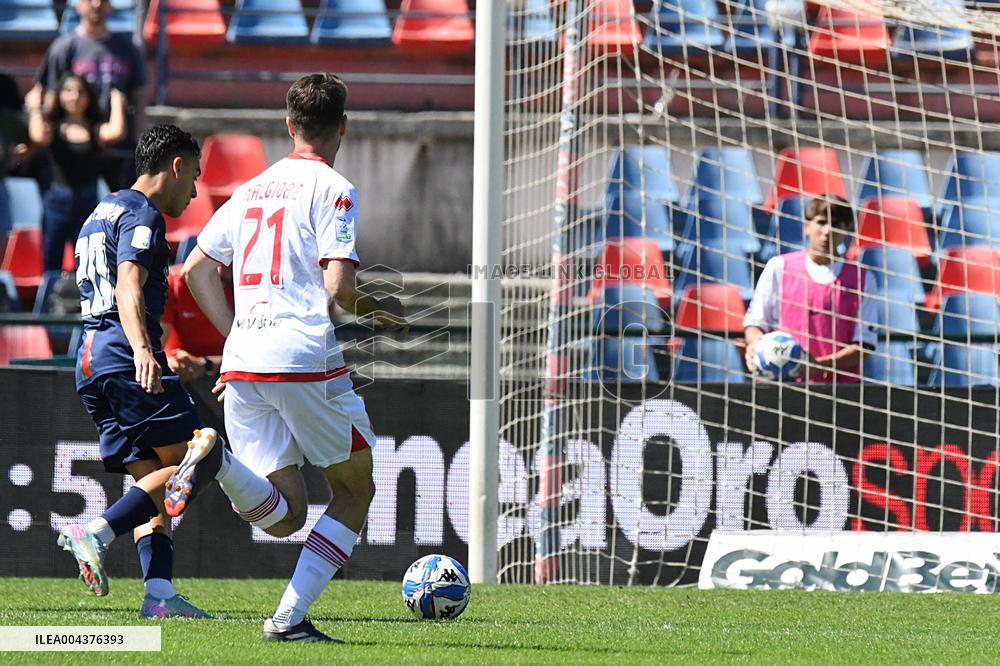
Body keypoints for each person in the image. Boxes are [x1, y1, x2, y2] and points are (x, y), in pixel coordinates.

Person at [179, 72, 407, 643]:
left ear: (289, 126)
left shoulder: (252, 189)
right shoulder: (336, 189)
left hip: (244, 361)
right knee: (356, 490)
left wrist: (236, 337)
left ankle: (217, 463)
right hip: (304, 355)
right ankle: (286, 619)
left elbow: (196, 270)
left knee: (286, 516)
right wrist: (385, 312)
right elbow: (339, 291)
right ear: (344, 129)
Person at [57, 124, 213, 619]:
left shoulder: (99, 212)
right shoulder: (143, 214)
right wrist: (146, 350)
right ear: (175, 166)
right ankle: (95, 531)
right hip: (124, 351)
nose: (194, 191)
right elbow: (128, 283)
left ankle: (160, 596)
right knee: (201, 457)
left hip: (87, 357)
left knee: (151, 480)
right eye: (193, 176)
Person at [744, 193, 878, 383]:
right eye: (822, 222)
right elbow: (755, 323)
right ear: (808, 226)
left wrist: (819, 367)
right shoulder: (779, 267)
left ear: (847, 230)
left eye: (837, 224)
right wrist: (756, 347)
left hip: (841, 391)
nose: (828, 231)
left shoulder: (862, 278)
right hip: (782, 386)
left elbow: (864, 345)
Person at [33, 0, 146, 191]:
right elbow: (50, 95)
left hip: (119, 148)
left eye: (103, 1)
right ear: (77, 5)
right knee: (76, 211)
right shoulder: (64, 47)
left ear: (111, 6)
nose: (96, 5)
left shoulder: (127, 48)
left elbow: (140, 96)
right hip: (77, 150)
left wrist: (140, 138)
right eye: (89, 0)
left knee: (123, 211)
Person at [26, 74, 126, 273]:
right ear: (59, 95)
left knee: (87, 261)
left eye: (80, 92)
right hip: (56, 201)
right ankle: (49, 302)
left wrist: (117, 102)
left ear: (88, 97)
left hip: (87, 201)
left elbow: (116, 131)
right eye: (68, 91)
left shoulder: (93, 129)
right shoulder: (53, 128)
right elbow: (38, 137)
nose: (75, 97)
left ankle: (82, 303)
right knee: (51, 260)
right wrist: (35, 107)